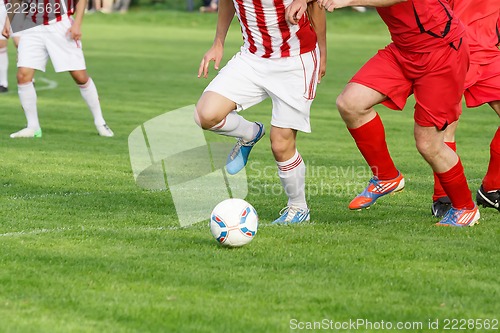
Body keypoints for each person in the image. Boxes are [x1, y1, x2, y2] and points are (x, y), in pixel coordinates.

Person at [287, 0, 479, 226]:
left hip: (442, 50)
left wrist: (349, 0)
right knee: (351, 103)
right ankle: (386, 175)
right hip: (404, 49)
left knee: (429, 143)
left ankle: (465, 208)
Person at [195, 0, 326, 224]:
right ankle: (250, 133)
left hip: (296, 60)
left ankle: (298, 208)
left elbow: (316, 6)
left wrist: (322, 51)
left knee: (280, 144)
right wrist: (218, 42)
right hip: (252, 58)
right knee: (206, 115)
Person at [2, 0, 114, 138]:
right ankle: (32, 127)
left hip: (60, 26)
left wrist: (77, 24)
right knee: (23, 75)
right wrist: (9, 20)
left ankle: (100, 122)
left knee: (79, 76)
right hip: (31, 27)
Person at [430, 1, 500, 216]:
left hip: (489, 54)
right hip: (452, 52)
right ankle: (443, 196)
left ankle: (491, 188)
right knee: (446, 126)